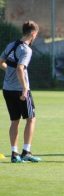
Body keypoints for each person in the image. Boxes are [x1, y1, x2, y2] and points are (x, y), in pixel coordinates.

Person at [0, 20, 41, 163]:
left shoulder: (11, 45)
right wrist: (24, 88)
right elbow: (20, 68)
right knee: (31, 119)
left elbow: (1, 62)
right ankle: (26, 152)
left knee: (14, 121)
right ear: (33, 33)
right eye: (36, 34)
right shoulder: (26, 49)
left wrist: (8, 71)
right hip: (20, 90)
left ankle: (14, 154)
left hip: (7, 89)